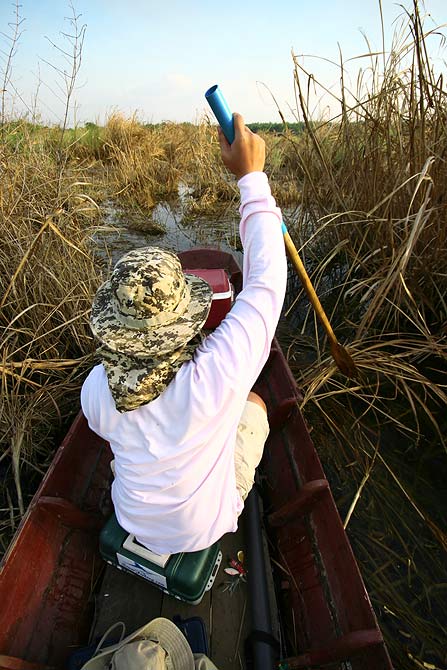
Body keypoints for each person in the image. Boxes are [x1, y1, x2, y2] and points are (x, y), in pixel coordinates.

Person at [81, 113, 287, 554]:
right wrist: (251, 177)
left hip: (132, 517)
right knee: (252, 403)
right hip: (207, 528)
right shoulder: (215, 375)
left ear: (113, 329)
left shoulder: (95, 391)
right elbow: (266, 286)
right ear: (185, 318)